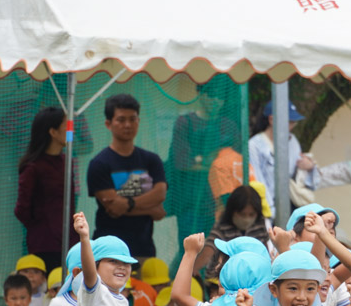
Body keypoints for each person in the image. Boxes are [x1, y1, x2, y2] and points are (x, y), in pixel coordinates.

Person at [87, 94, 167, 260]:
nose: (128, 125)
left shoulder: (151, 160)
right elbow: (113, 208)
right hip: (108, 250)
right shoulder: (99, 163)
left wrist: (128, 203)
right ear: (108, 124)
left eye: (133, 119)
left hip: (144, 248)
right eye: (121, 120)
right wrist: (151, 209)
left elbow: (160, 194)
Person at [167, 79, 240, 250]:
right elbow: (182, 162)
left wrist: (201, 159)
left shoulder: (229, 126)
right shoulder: (185, 123)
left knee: (221, 254)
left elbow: (236, 162)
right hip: (191, 206)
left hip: (224, 205)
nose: (216, 100)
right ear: (199, 94)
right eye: (211, 95)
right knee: (192, 254)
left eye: (220, 97)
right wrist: (216, 162)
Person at [15, 107, 78, 272]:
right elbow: (22, 209)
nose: (71, 131)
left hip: (69, 242)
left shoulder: (67, 162)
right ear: (53, 132)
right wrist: (43, 226)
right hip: (44, 245)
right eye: (66, 126)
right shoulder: (33, 167)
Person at [248, 100, 317, 209]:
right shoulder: (254, 145)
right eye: (289, 121)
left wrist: (309, 167)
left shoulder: (292, 140)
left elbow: (302, 178)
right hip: (266, 207)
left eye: (294, 122)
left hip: (291, 203)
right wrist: (270, 211)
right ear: (271, 119)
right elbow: (257, 179)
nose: (292, 126)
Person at [194, 185, 270, 278]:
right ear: (232, 211)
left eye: (251, 215)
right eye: (242, 214)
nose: (247, 219)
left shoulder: (259, 225)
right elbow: (208, 251)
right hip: (221, 279)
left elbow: (264, 250)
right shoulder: (222, 227)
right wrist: (194, 268)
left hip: (251, 277)